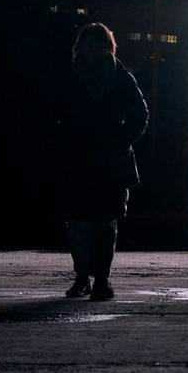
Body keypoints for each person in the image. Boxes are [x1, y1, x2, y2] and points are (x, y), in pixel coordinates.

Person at [55, 23, 148, 301]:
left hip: (99, 161)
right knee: (88, 225)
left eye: (97, 45)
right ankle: (92, 279)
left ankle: (94, 279)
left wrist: (119, 140)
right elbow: (140, 115)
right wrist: (121, 139)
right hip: (93, 160)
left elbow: (139, 115)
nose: (93, 50)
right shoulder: (118, 76)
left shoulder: (77, 76)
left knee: (97, 224)